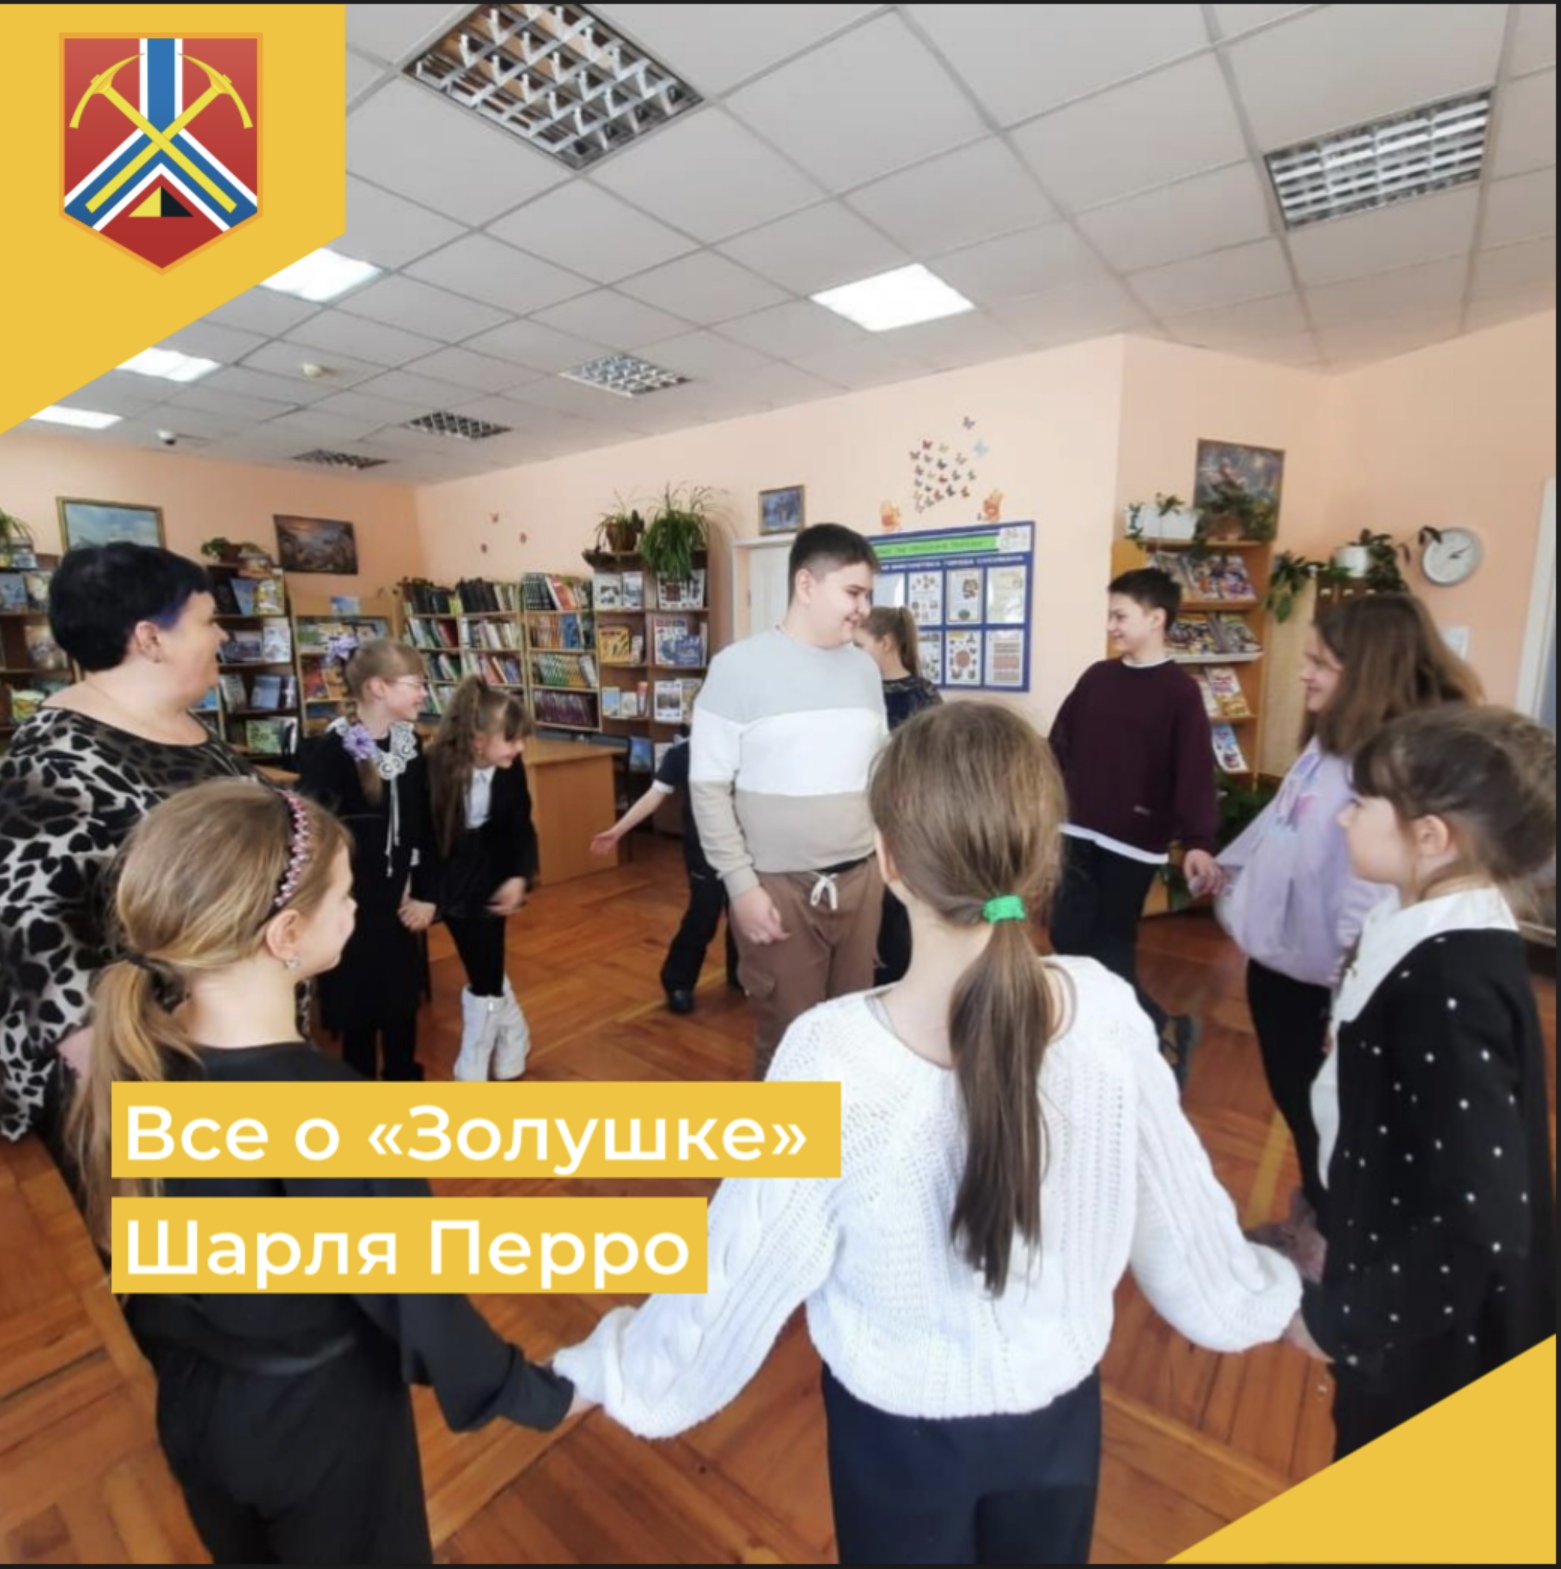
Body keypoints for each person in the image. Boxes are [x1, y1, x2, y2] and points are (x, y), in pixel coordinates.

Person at [555, 704, 1299, 1566]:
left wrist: (608, 1371)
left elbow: (736, 1268)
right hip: (1059, 1422)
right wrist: (1278, 1298)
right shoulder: (1104, 1011)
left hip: (894, 1440)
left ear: (887, 860)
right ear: (1041, 855)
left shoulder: (830, 1057)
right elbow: (1189, 1234)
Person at [66, 778, 575, 1564]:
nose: (356, 905)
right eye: (345, 891)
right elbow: (420, 1302)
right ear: (286, 934)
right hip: (319, 1429)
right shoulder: (329, 1106)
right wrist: (536, 1390)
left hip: (198, 1413)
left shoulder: (136, 1062)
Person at [1282, 705, 1556, 1460]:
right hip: (1391, 1271)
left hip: (1434, 1354)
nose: (1344, 819)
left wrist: (1344, 1322)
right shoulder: (1421, 926)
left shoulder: (1448, 984)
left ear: (1430, 838)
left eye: (1362, 803)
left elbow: (1483, 1223)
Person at [1217, 595, 1482, 1240]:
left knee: (1330, 1122)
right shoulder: (1329, 741)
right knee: (1303, 1108)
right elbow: (1282, 817)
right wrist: (1227, 867)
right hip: (1285, 968)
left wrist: (1347, 1004)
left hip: (1326, 990)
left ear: (1368, 671)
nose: (1304, 674)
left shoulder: (1393, 769)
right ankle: (1319, 1220)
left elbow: (1373, 900)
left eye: (1320, 663)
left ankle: (1335, 1245)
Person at [0, 542, 251, 1150]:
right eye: (208, 620)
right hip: (156, 1069)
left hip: (230, 1035)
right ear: (150, 638)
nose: (222, 636)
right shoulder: (52, 757)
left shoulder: (190, 728)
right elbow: (34, 937)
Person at [690, 523, 888, 1077]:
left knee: (850, 1034)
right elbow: (707, 788)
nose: (864, 608)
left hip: (861, 881)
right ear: (806, 584)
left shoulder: (864, 669)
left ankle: (843, 1134)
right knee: (790, 1043)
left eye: (868, 594)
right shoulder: (737, 667)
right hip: (777, 888)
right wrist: (741, 886)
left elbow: (879, 772)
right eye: (853, 592)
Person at [1046, 567, 1219, 1087]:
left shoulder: (1180, 693)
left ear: (1156, 618)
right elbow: (1059, 743)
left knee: (1111, 947)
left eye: (1120, 616)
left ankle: (1157, 1026)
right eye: (1110, 616)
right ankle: (1110, 1031)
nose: (1112, 626)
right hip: (1076, 831)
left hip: (1135, 844)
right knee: (1067, 934)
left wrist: (1199, 841)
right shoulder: (1097, 678)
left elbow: (1194, 771)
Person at [295, 638, 434, 1082]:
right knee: (358, 1010)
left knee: (401, 1003)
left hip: (399, 905)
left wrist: (426, 891)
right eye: (416, 683)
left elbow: (424, 824)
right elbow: (313, 836)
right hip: (349, 907)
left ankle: (403, 1080)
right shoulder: (331, 753)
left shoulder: (409, 745)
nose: (424, 693)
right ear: (378, 688)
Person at [422, 676, 537, 1082]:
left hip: (490, 867)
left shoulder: (510, 768)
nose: (520, 749)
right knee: (481, 960)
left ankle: (474, 1055)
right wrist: (422, 889)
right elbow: (423, 834)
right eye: (512, 740)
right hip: (448, 868)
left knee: (486, 962)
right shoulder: (433, 768)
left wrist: (518, 875)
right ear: (477, 742)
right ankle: (515, 1031)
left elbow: (520, 823)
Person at [589, 727, 741, 1014]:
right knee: (704, 914)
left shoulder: (744, 749)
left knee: (743, 913)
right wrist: (617, 830)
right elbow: (654, 796)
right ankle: (677, 981)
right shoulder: (682, 754)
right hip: (704, 851)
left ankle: (740, 972)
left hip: (744, 849)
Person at [856, 605, 942, 985]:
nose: (854, 655)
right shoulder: (859, 691)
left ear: (886, 643)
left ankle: (897, 980)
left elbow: (934, 760)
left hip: (903, 818)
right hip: (860, 814)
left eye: (860, 646)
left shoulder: (922, 694)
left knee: (897, 905)